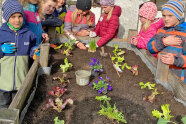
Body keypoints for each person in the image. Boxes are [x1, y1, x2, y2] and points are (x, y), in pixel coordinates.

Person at [0, 0, 37, 108]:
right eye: (13, 16)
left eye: (20, 16)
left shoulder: (28, 34)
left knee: (18, 107)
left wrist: (34, 52)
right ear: (7, 17)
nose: (17, 20)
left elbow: (32, 48)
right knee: (3, 107)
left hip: (21, 81)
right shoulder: (1, 33)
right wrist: (1, 49)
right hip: (3, 82)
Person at [147, 0, 186, 83]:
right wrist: (164, 41)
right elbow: (150, 47)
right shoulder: (161, 31)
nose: (166, 19)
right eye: (164, 15)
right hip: (160, 72)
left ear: (178, 16)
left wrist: (175, 60)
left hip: (177, 79)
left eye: (170, 16)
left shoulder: (184, 34)